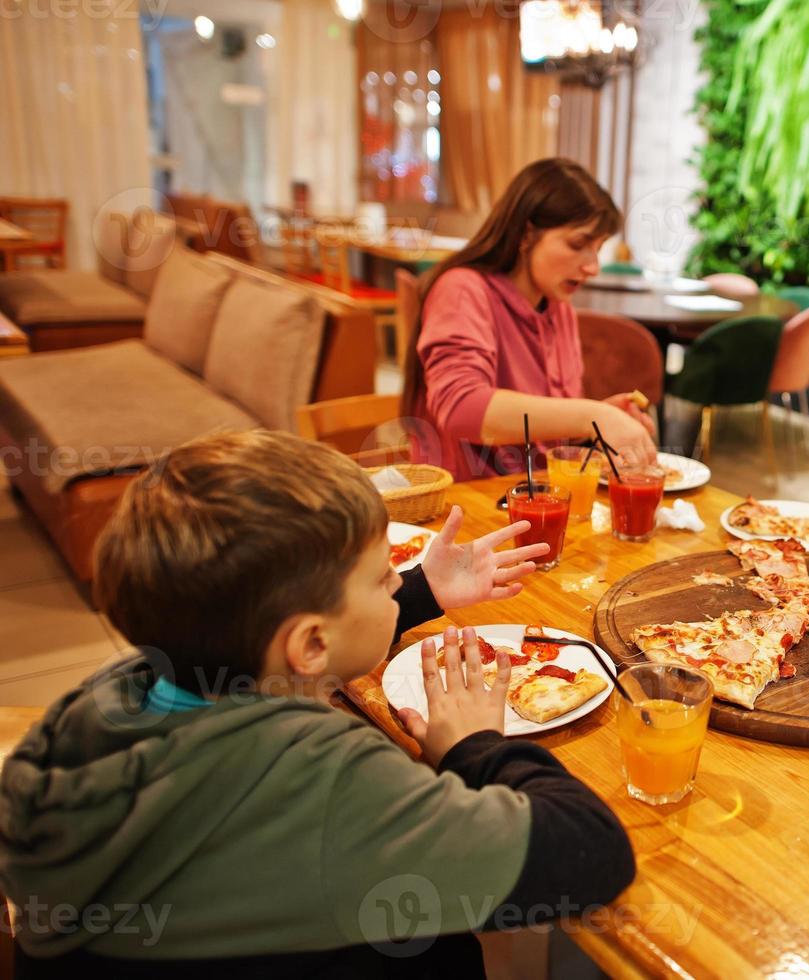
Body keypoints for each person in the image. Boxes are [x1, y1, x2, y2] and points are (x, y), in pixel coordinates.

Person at [0, 431, 635, 975]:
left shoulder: (110, 700)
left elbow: (294, 645)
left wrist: (416, 593)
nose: (397, 580)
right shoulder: (320, 780)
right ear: (309, 640)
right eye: (382, 576)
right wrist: (475, 746)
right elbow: (590, 854)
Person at [403, 157, 657, 481]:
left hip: (536, 496)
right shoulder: (463, 290)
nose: (592, 266)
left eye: (598, 248)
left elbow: (543, 435)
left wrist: (602, 419)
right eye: (578, 244)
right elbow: (461, 408)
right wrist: (591, 416)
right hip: (466, 503)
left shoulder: (557, 304)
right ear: (526, 234)